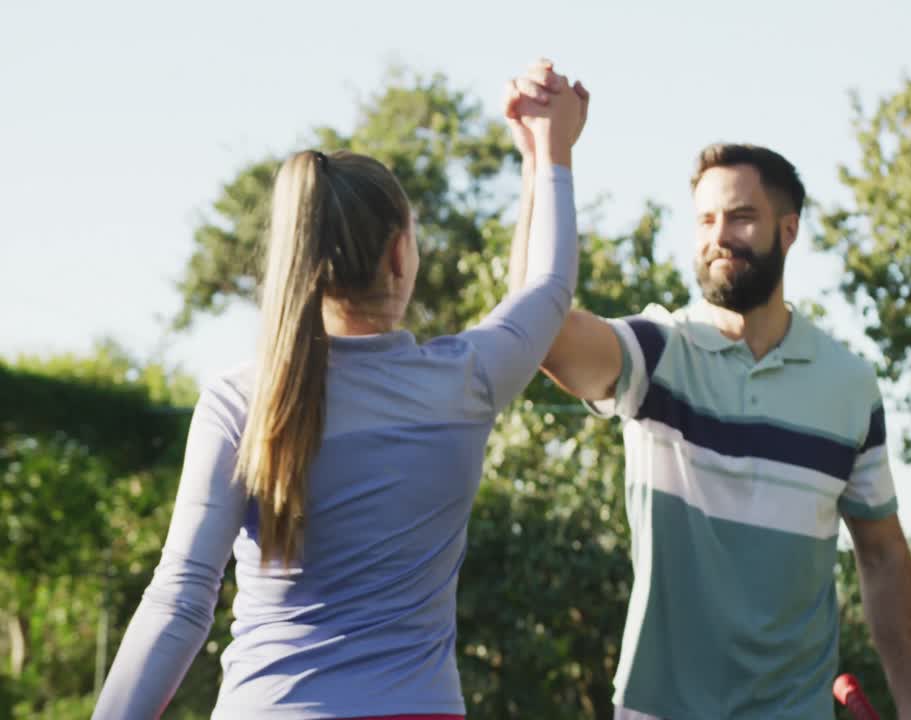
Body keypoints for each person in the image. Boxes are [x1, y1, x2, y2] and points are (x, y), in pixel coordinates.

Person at [93, 66, 587, 720]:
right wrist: (547, 154)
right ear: (400, 254)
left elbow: (181, 601)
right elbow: (545, 290)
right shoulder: (463, 383)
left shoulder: (242, 400)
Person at [507, 65, 911, 720]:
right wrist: (544, 160)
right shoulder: (658, 353)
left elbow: (883, 556)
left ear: (788, 231)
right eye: (705, 219)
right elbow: (537, 331)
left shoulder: (850, 383)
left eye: (740, 218)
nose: (717, 238)